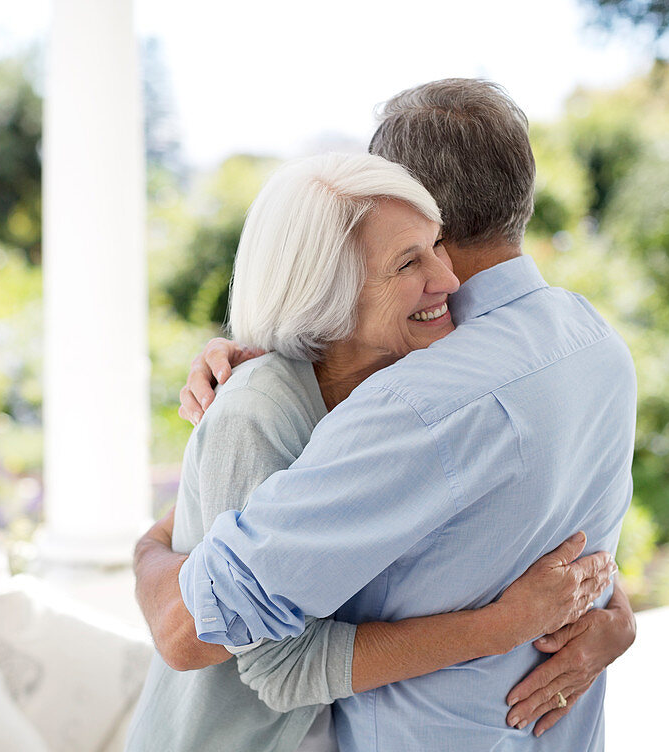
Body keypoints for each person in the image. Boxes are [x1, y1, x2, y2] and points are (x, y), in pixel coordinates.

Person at [135, 79, 637, 751]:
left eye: (427, 246)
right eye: (406, 257)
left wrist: (610, 610)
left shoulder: (414, 400)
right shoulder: (595, 341)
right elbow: (193, 630)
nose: (444, 280)